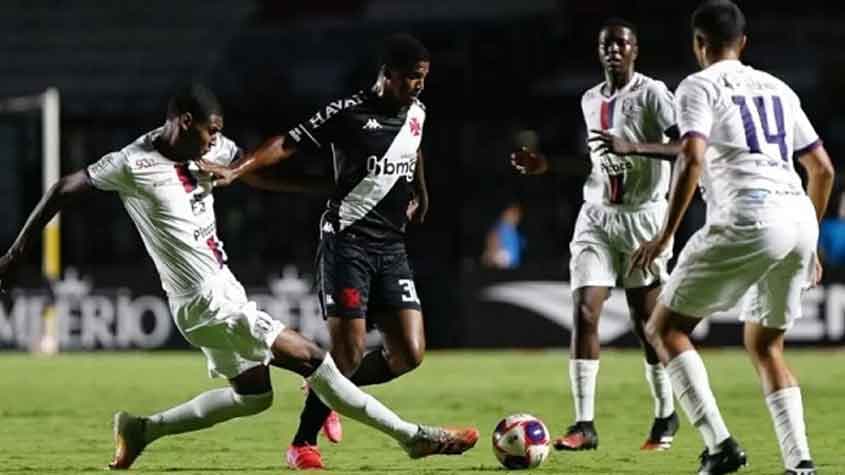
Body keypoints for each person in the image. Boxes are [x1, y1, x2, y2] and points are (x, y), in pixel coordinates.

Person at [0, 84, 478, 471]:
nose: (216, 141)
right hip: (207, 301)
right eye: (210, 131)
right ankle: (412, 438)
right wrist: (17, 252)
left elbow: (249, 170)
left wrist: (317, 189)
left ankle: (141, 429)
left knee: (253, 397)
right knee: (316, 361)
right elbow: (63, 187)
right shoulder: (132, 163)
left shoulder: (212, 148)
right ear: (184, 122)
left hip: (216, 292)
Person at [199, 34, 433, 470]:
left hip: (391, 246)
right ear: (387, 74)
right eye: (412, 78)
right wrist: (237, 169)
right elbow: (287, 142)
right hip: (347, 243)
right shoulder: (347, 112)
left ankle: (324, 384)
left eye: (423, 78)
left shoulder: (416, 111)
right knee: (347, 354)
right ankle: (302, 443)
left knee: (409, 354)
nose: (418, 86)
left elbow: (413, 148)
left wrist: (420, 192)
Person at [630, 1, 832, 473]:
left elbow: (692, 157)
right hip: (799, 218)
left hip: (749, 215)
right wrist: (811, 242)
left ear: (698, 43)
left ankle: (719, 445)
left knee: (664, 329)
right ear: (743, 43)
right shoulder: (779, 88)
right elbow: (821, 169)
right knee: (766, 345)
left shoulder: (698, 86)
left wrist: (665, 235)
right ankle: (800, 462)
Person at [512, 18, 681, 451]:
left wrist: (634, 147)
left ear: (635, 50)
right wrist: (547, 166)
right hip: (597, 217)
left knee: (647, 323)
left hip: (644, 217)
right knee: (586, 311)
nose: (614, 50)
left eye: (622, 43)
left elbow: (689, 148)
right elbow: (596, 160)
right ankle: (584, 425)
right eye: (607, 44)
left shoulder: (653, 94)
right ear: (598, 51)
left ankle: (665, 413)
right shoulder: (590, 99)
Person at [481, 202, 525, 269]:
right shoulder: (500, 227)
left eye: (517, 216)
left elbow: (520, 243)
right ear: (504, 215)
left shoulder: (514, 232)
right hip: (502, 257)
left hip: (512, 262)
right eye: (512, 214)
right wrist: (492, 251)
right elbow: (492, 238)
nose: (515, 218)